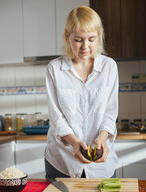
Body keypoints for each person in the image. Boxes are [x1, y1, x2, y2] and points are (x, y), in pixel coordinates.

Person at [44, 6, 119, 179]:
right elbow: (57, 118)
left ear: (99, 36)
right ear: (67, 36)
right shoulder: (55, 69)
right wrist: (75, 143)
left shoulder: (109, 67)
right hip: (62, 161)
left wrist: (102, 137)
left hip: (102, 164)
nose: (85, 46)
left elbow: (110, 112)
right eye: (78, 40)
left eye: (91, 39)